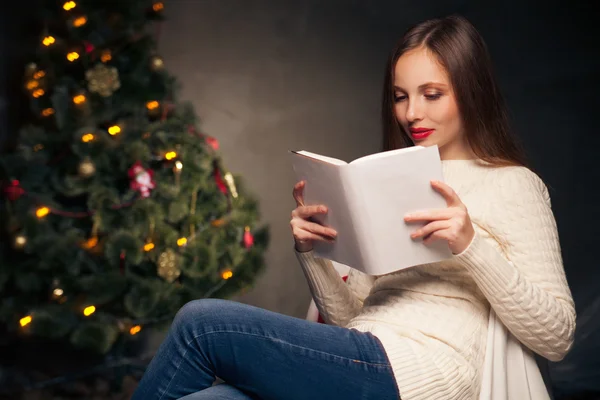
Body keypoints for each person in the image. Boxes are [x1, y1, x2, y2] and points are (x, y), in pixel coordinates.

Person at [131, 15, 575, 400]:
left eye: (431, 94)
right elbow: (348, 316)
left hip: (424, 373)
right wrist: (314, 254)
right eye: (401, 96)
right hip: (355, 357)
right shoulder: (392, 177)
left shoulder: (512, 183)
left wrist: (471, 244)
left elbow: (557, 336)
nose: (411, 113)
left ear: (471, 92)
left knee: (201, 322)